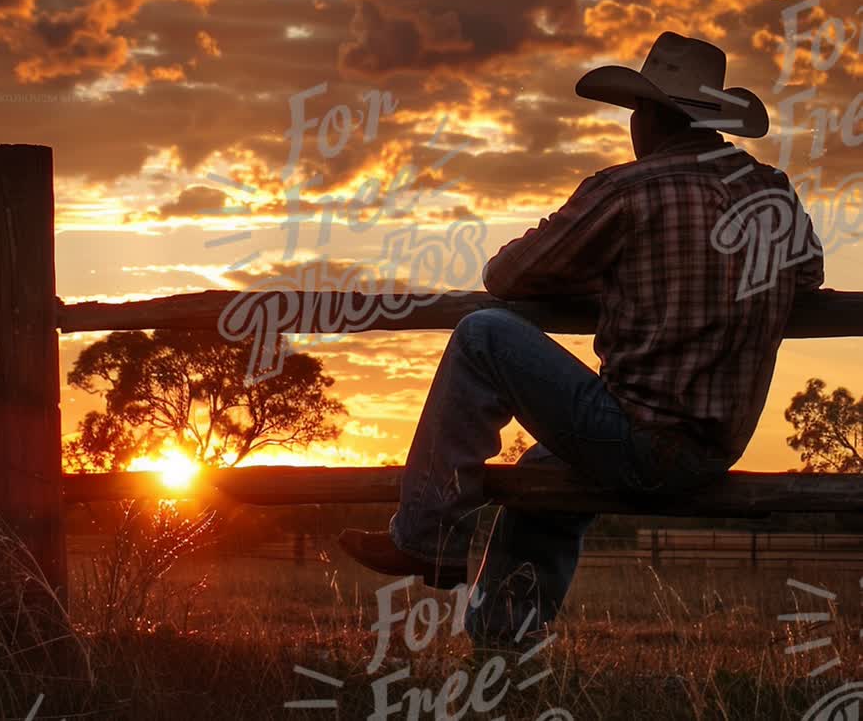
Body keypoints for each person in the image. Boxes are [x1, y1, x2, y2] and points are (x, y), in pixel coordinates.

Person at [338, 32, 825, 646]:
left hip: (639, 438)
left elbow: (508, 275)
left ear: (647, 117)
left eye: (634, 112)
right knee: (546, 474)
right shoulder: (772, 192)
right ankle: (501, 649)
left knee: (483, 334)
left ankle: (429, 535)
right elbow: (809, 276)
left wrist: (608, 268)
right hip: (718, 445)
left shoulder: (628, 191)